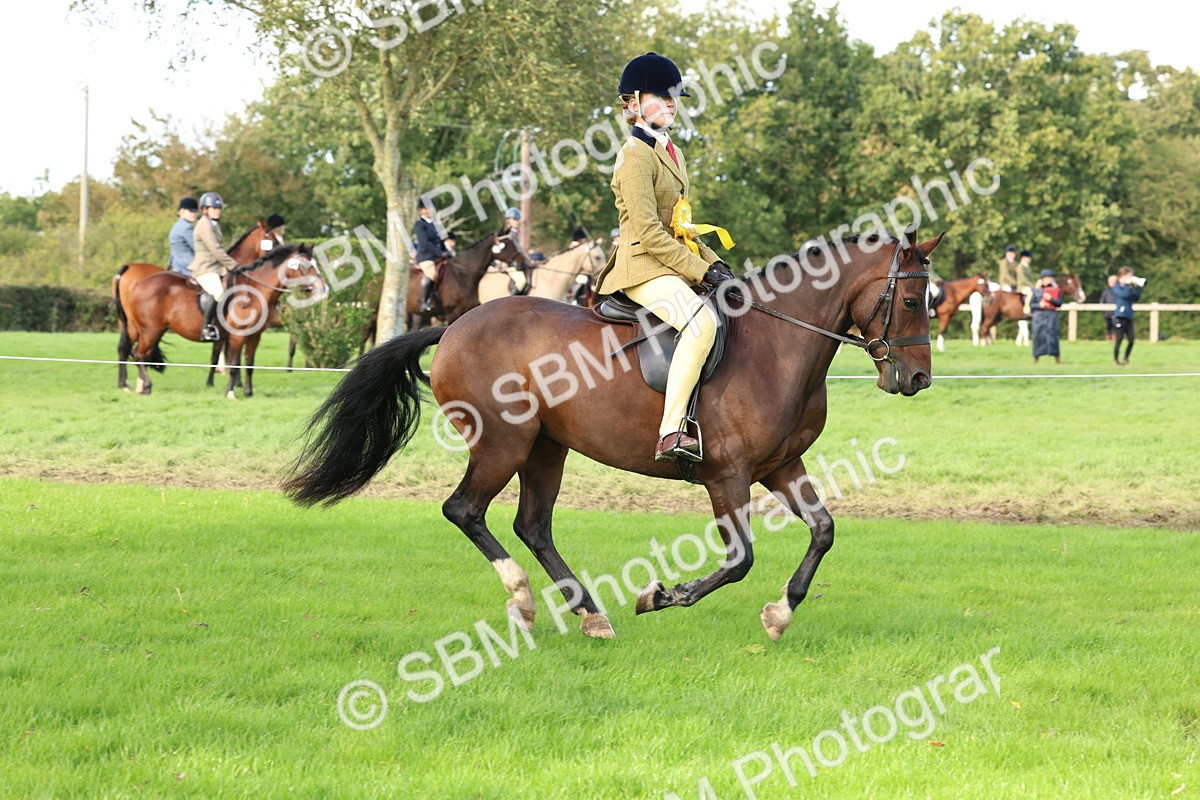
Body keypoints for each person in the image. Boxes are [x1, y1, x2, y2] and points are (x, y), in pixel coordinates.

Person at [594, 52, 734, 462]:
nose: (671, 104)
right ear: (634, 104)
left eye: (674, 97)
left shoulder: (672, 152)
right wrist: (700, 269)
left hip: (670, 260)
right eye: (661, 97)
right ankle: (671, 431)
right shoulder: (634, 156)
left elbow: (680, 224)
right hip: (641, 266)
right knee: (700, 320)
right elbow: (651, 232)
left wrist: (716, 264)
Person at [186, 192, 238, 341]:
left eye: (218, 208)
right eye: (213, 208)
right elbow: (215, 249)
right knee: (218, 292)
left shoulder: (213, 224)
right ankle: (206, 328)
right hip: (205, 268)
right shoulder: (204, 225)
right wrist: (233, 265)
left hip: (216, 267)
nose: (217, 211)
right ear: (205, 210)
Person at [412, 200, 454, 313]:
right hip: (426, 257)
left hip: (439, 256)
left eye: (429, 209)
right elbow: (425, 243)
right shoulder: (420, 224)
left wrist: (447, 252)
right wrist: (441, 253)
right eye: (425, 209)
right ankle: (424, 302)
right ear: (421, 210)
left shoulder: (436, 224)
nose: (427, 211)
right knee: (432, 274)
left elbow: (442, 241)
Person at [1111, 266, 1145, 365]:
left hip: (1129, 316)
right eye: (1128, 275)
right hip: (1119, 317)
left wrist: (1138, 287)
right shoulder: (1117, 287)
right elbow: (1123, 295)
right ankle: (1116, 359)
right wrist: (1126, 285)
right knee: (1119, 340)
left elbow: (1136, 297)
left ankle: (1126, 358)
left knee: (1131, 339)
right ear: (1122, 275)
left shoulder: (1128, 288)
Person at [1030, 268, 1062, 364]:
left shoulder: (1057, 290)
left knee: (1053, 336)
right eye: (1046, 278)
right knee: (1038, 336)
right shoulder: (1036, 291)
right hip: (1039, 315)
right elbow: (1032, 305)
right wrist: (1039, 305)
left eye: (1049, 278)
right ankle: (1036, 357)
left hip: (1052, 315)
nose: (1048, 280)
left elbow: (1059, 303)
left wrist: (1051, 299)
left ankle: (1057, 358)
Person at [168, 197, 198, 274]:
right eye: (190, 211)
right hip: (187, 267)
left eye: (195, 211)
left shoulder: (177, 225)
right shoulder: (186, 227)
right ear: (181, 211)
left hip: (176, 265)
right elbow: (198, 248)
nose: (193, 214)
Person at [1015, 250, 1035, 314]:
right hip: (1022, 286)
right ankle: (1026, 308)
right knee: (1030, 293)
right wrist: (1032, 285)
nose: (1030, 259)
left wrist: (1035, 284)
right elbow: (1023, 279)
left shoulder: (1028, 267)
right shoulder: (1020, 267)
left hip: (1028, 285)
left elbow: (1031, 279)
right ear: (1023, 258)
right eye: (1028, 258)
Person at [1099, 275, 1118, 341]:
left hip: (1117, 314)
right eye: (1109, 281)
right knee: (1108, 328)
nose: (1110, 283)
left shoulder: (1119, 291)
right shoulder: (1106, 291)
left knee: (1117, 328)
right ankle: (1108, 340)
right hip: (1108, 314)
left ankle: (1116, 340)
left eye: (1112, 281)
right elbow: (1102, 301)